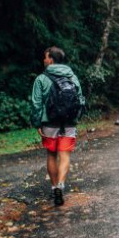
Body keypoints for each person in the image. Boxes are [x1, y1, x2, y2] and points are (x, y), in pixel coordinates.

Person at [30, 46, 85, 207]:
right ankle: (61, 184)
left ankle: (54, 187)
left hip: (49, 123)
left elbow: (36, 103)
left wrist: (37, 122)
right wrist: (76, 118)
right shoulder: (72, 77)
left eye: (46, 57)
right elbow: (80, 99)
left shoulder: (41, 78)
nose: (44, 60)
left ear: (51, 59)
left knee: (51, 155)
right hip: (68, 123)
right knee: (65, 155)